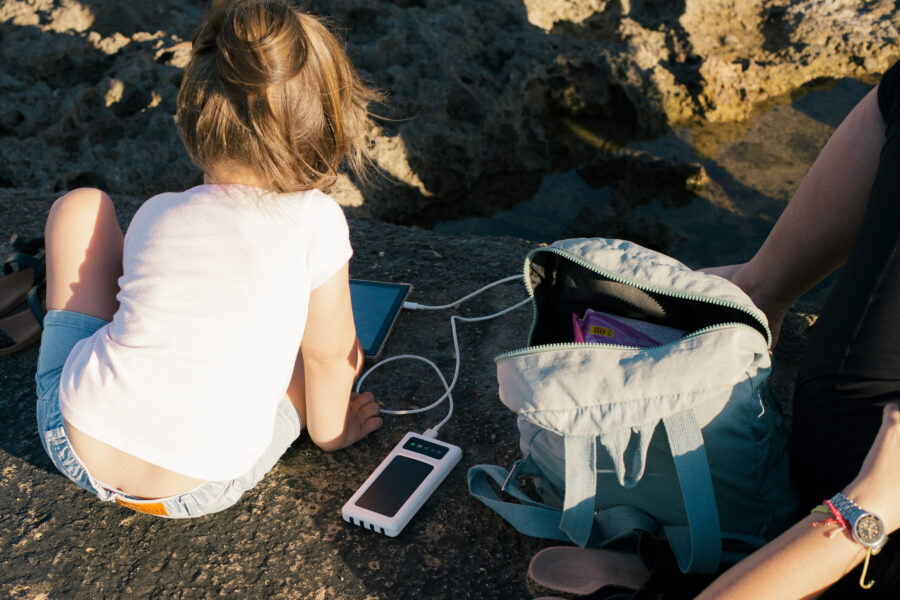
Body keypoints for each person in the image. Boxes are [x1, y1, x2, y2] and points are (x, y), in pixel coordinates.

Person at [34, 0, 383, 518]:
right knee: (295, 357)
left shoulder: (158, 211)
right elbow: (332, 359)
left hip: (72, 440)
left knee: (81, 207)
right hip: (196, 489)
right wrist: (334, 435)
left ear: (194, 113)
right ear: (326, 128)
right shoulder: (318, 220)